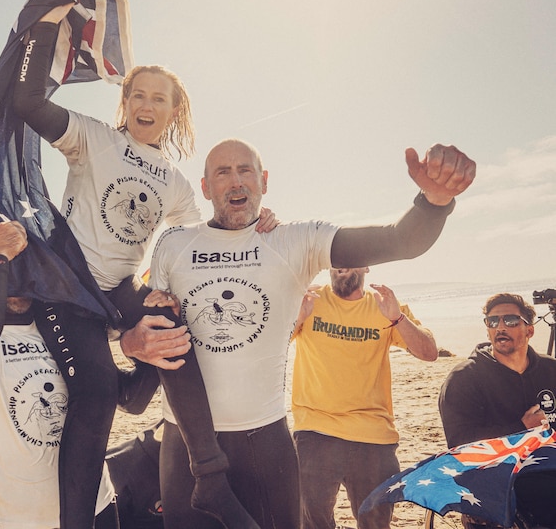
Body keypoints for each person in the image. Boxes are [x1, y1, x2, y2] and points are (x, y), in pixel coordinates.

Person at [11, 3, 276, 529]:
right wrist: (45, 23)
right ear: (126, 102)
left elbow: (203, 240)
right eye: (138, 94)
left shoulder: (176, 182)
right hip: (67, 289)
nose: (147, 104)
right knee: (94, 397)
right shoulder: (92, 138)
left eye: (160, 98)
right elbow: (26, 101)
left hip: (120, 290)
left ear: (174, 111)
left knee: (174, 327)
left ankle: (211, 478)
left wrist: (254, 219)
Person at [149, 138, 475, 528]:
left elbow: (400, 240)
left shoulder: (294, 240)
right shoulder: (173, 243)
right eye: (222, 173)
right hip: (186, 441)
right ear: (205, 187)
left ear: (264, 181)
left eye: (245, 170)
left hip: (265, 441)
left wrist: (434, 202)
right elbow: (152, 327)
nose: (236, 182)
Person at [0, 222, 173, 528]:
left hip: (98, 506)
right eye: (3, 261)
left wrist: (147, 345)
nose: (14, 272)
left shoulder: (67, 327)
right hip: (19, 522)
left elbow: (128, 400)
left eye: (21, 259)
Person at [290, 267, 438, 529]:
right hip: (315, 431)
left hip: (373, 436)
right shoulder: (308, 301)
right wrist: (296, 319)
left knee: (375, 523)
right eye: (336, 260)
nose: (342, 267)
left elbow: (429, 352)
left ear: (366, 266)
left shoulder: (385, 306)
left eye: (351, 259)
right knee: (311, 523)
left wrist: (398, 318)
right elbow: (269, 349)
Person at [439, 293, 556, 528]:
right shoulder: (465, 378)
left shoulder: (550, 370)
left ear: (529, 330)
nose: (500, 327)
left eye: (510, 320)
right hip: (497, 478)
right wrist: (521, 429)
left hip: (547, 468)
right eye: (493, 322)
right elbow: (460, 445)